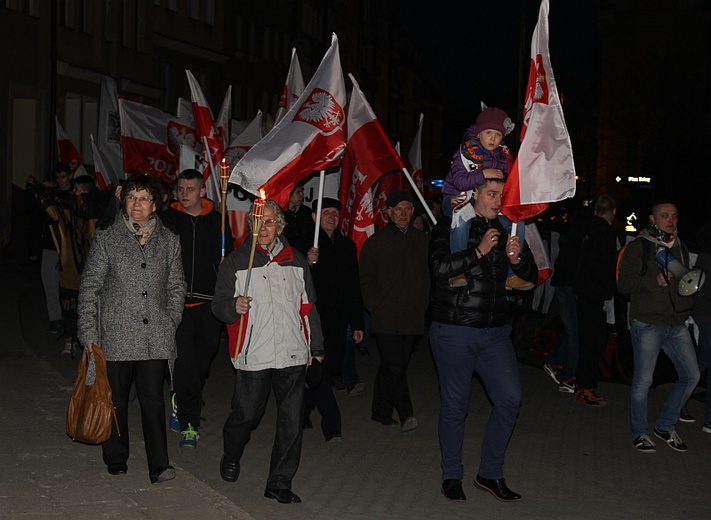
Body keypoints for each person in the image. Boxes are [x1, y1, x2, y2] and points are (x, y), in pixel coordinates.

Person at [429, 178, 537, 503]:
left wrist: (518, 260)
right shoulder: (449, 226)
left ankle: (489, 472)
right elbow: (439, 268)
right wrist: (478, 251)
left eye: (502, 196)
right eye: (492, 194)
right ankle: (451, 475)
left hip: (495, 332)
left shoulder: (509, 229)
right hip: (455, 329)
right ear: (474, 194)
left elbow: (530, 280)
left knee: (510, 399)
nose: (497, 200)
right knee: (455, 406)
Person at [213, 199, 324, 504]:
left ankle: (279, 482)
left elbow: (308, 307)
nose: (263, 228)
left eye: (270, 222)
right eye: (257, 222)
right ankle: (231, 452)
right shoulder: (236, 262)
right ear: (249, 225)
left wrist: (316, 348)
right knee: (246, 415)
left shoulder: (297, 260)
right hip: (254, 353)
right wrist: (232, 306)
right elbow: (218, 304)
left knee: (291, 421)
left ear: (281, 226)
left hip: (292, 351)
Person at [77, 173, 186, 483]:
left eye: (144, 198)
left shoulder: (169, 239)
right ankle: (115, 455)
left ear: (156, 204)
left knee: (153, 399)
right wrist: (88, 332)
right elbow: (91, 285)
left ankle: (159, 465)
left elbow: (177, 283)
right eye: (132, 198)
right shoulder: (107, 236)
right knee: (115, 398)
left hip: (155, 335)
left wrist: (172, 317)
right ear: (123, 201)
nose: (137, 204)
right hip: (115, 333)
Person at [618, 200, 700, 453]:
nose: (671, 220)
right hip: (648, 324)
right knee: (644, 381)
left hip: (676, 323)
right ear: (653, 219)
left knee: (691, 375)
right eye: (664, 215)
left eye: (674, 215)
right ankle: (639, 433)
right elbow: (624, 285)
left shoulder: (681, 248)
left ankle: (665, 425)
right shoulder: (639, 247)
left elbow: (684, 284)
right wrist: (654, 282)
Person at [160, 169, 233, 448]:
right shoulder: (167, 220)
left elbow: (232, 256)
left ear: (203, 191)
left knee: (202, 364)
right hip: (176, 303)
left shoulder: (218, 221)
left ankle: (181, 393)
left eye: (191, 188)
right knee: (184, 363)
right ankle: (191, 424)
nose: (185, 193)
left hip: (208, 303)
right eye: (181, 188)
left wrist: (226, 269)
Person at [359, 190, 429, 433]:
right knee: (396, 367)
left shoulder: (422, 240)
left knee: (391, 366)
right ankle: (406, 413)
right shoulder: (376, 242)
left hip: (412, 317)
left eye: (408, 209)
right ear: (388, 212)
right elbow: (365, 279)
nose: (403, 214)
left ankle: (380, 411)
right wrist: (374, 304)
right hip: (386, 317)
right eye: (398, 209)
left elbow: (429, 277)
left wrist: (423, 305)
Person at [442, 108, 531, 291]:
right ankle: (457, 271)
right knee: (461, 220)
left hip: (487, 201)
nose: (492, 138)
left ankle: (512, 274)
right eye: (488, 132)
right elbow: (458, 181)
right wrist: (484, 174)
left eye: (497, 134)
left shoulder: (503, 155)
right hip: (457, 197)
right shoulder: (466, 152)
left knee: (517, 221)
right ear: (479, 132)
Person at [304, 197, 365, 442]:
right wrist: (308, 263)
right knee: (321, 372)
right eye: (326, 212)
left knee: (324, 370)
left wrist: (357, 323)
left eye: (335, 213)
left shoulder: (347, 246)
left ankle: (302, 411)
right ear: (315, 217)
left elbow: (353, 287)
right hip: (314, 321)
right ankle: (332, 426)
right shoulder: (306, 245)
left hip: (339, 321)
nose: (331, 217)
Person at [549, 195, 618, 406]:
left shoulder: (582, 227)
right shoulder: (601, 231)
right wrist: (608, 287)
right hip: (584, 290)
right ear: (613, 212)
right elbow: (598, 264)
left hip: (573, 285)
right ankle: (574, 380)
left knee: (577, 331)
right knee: (583, 335)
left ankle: (559, 366)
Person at [27, 163, 73, 335]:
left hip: (68, 247)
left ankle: (69, 319)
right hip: (50, 245)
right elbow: (33, 208)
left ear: (69, 176)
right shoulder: (50, 194)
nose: (61, 181)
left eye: (64, 177)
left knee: (68, 285)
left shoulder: (73, 195)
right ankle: (56, 319)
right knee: (49, 282)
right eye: (58, 178)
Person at [692, 223, 711, 434]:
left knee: (701, 361)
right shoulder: (708, 248)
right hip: (707, 312)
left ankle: (677, 403)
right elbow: (702, 285)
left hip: (704, 311)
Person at [282, 183, 312, 254]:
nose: (302, 195)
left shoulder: (307, 213)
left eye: (302, 191)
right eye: (298, 192)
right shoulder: (279, 214)